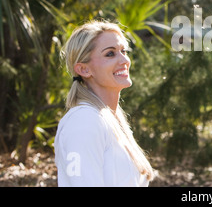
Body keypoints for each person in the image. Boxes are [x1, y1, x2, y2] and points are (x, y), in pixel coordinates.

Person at [55, 20, 154, 186]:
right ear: (84, 69)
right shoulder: (83, 122)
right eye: (110, 54)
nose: (125, 60)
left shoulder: (109, 119)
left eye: (124, 51)